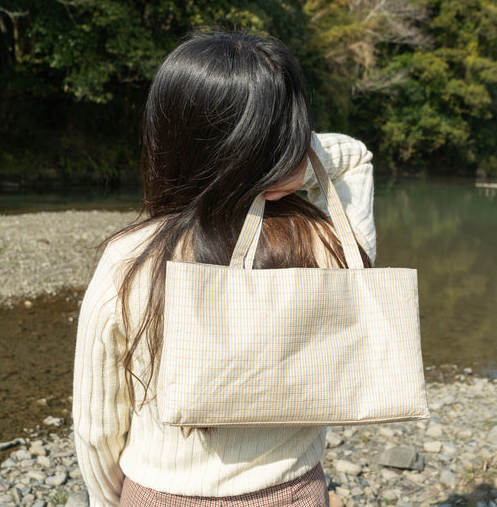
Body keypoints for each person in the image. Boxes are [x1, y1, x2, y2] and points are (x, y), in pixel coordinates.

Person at [73, 32, 376, 507]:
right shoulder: (328, 243)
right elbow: (356, 158)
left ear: (168, 138)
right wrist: (290, 156)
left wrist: (108, 500)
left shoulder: (132, 259)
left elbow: (97, 429)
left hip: (160, 495)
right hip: (294, 491)